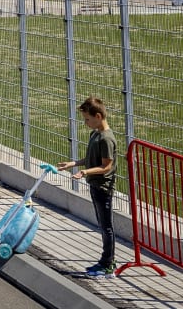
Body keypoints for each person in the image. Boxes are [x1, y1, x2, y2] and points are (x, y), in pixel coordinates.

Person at [59, 96, 120, 277]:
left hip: (103, 188)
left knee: (106, 227)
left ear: (99, 116)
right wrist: (74, 164)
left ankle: (108, 264)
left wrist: (85, 172)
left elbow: (106, 166)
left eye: (87, 119)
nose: (85, 123)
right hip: (94, 185)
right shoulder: (95, 134)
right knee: (102, 224)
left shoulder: (106, 139)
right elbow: (92, 158)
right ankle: (106, 260)